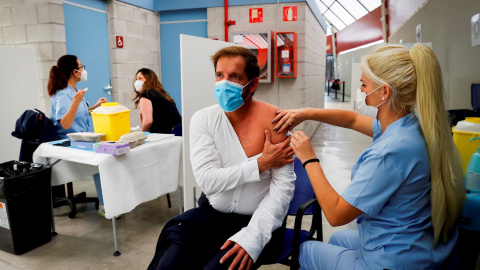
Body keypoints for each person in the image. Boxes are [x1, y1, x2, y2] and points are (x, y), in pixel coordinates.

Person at [272, 44, 466, 269]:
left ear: (384, 92)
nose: (361, 90)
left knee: (305, 250)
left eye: (364, 84)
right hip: (415, 242)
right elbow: (352, 120)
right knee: (336, 239)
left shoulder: (389, 152)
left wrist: (308, 158)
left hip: (395, 260)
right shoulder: (408, 126)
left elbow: (335, 214)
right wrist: (306, 112)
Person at [147, 46, 296, 270]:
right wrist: (260, 164)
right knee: (170, 260)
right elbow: (208, 181)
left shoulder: (276, 120)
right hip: (212, 217)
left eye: (235, 76)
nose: (224, 83)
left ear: (252, 84)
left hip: (258, 222)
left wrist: (252, 238)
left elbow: (283, 189)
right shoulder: (203, 120)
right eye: (219, 75)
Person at [47, 54, 109, 217]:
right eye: (82, 67)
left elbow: (77, 115)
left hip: (81, 139)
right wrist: (75, 102)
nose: (83, 70)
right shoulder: (62, 93)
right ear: (75, 71)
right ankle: (105, 205)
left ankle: (108, 201)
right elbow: (65, 123)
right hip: (68, 143)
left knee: (107, 155)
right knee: (102, 160)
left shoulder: (74, 91)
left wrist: (95, 105)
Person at [132, 68, 181, 134]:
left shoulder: (146, 94)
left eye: (140, 78)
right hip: (177, 133)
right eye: (136, 79)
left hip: (164, 135)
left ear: (149, 79)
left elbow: (148, 121)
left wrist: (141, 132)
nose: (137, 82)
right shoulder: (162, 94)